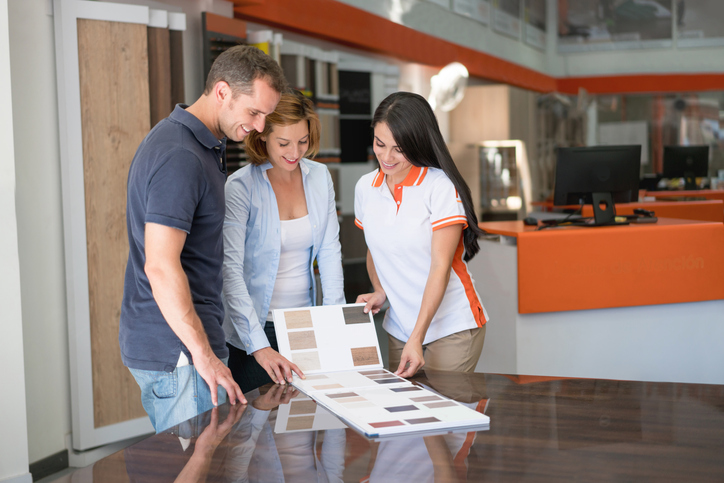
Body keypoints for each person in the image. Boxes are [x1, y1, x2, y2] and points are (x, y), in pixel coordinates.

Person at [120, 45, 287, 433]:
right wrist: (204, 355)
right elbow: (160, 264)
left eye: (266, 115)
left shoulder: (201, 144)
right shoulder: (181, 155)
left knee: (205, 466)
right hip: (180, 353)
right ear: (223, 92)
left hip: (185, 347)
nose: (261, 127)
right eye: (254, 112)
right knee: (193, 468)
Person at [354, 91, 488, 378]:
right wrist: (380, 291)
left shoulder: (439, 187)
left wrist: (417, 337)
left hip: (452, 326)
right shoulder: (366, 187)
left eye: (398, 149)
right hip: (398, 327)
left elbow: (440, 267)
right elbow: (375, 249)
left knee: (446, 416)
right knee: (402, 416)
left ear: (417, 144)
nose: (386, 157)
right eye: (380, 144)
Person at [222, 90, 345, 392]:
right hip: (256, 330)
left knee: (306, 426)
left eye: (302, 141)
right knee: (259, 430)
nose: (295, 152)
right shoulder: (241, 187)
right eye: (284, 143)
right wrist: (258, 345)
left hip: (304, 324)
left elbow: (330, 253)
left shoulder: (319, 177)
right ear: (262, 136)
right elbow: (231, 272)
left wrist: (334, 324)